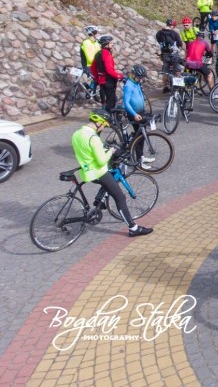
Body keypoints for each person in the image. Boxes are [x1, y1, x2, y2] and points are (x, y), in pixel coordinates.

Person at [72, 109, 153, 237]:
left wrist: (103, 149)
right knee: (120, 197)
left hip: (86, 172)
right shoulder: (93, 138)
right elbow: (101, 161)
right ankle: (133, 228)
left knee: (110, 184)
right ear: (98, 122)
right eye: (104, 124)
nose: (103, 128)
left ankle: (101, 201)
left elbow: (87, 153)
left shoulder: (77, 134)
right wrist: (111, 151)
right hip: (98, 172)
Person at [91, 35, 122, 110]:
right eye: (111, 43)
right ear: (106, 44)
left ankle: (105, 113)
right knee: (111, 102)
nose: (112, 44)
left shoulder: (98, 53)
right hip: (108, 81)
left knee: (104, 101)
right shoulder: (106, 54)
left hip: (101, 81)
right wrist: (120, 76)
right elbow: (110, 70)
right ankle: (107, 117)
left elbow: (93, 67)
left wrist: (97, 78)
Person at [155, 19, 183, 94]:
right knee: (177, 70)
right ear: (172, 26)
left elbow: (159, 41)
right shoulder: (174, 33)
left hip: (164, 54)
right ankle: (178, 87)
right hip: (174, 55)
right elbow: (180, 44)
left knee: (165, 72)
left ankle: (165, 87)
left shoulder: (159, 33)